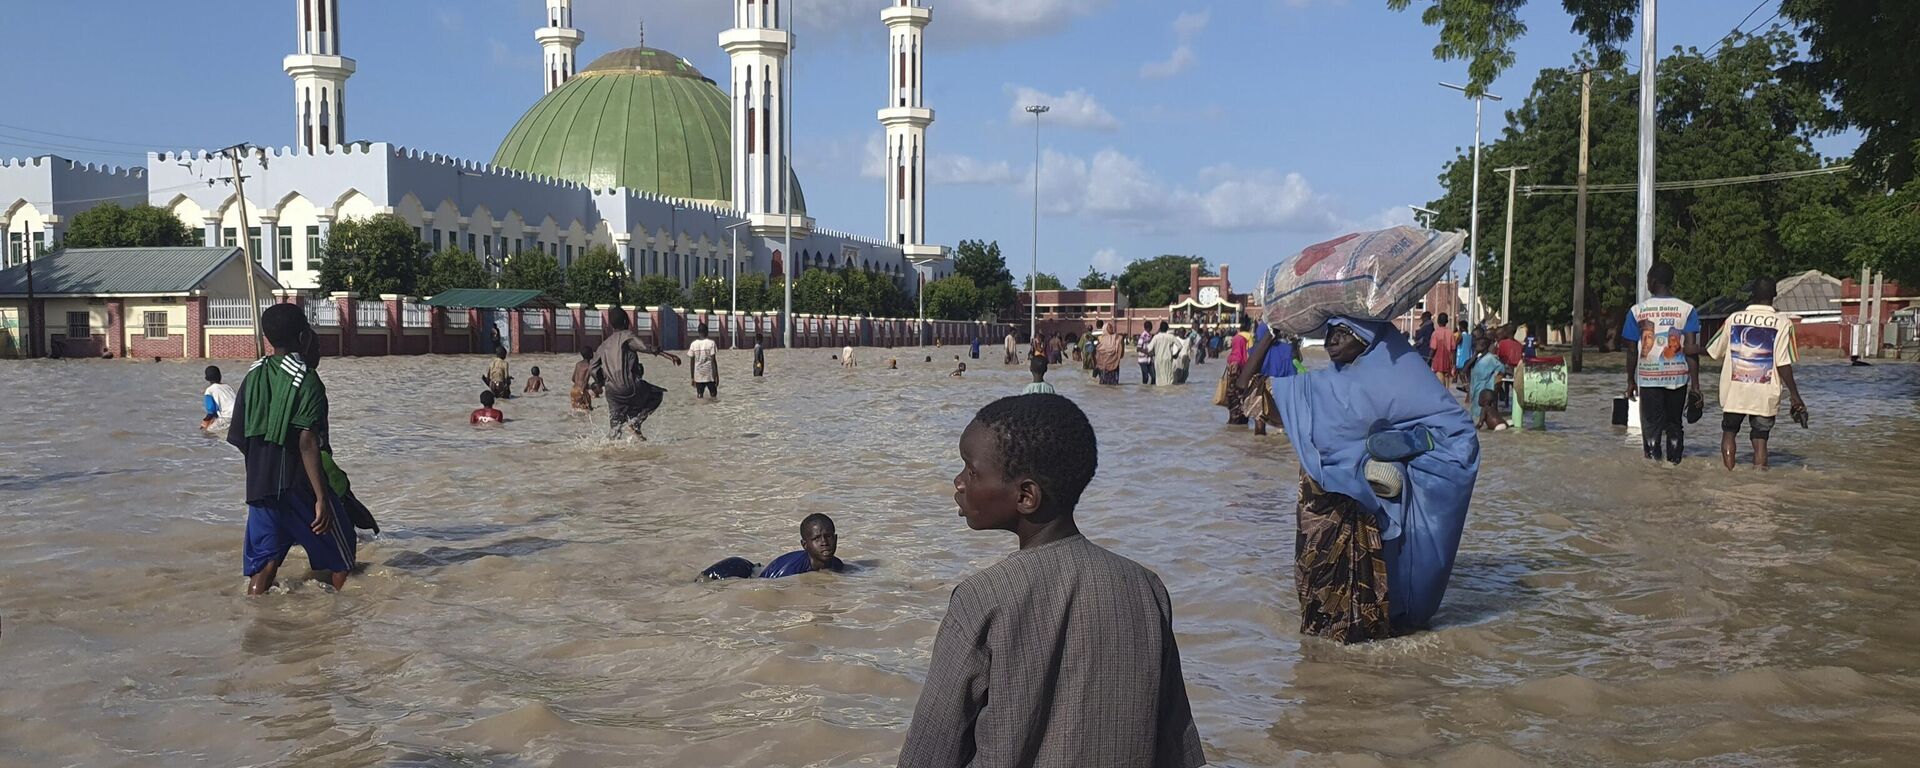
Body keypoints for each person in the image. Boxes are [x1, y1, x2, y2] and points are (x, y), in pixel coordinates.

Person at [898, 394, 1205, 768]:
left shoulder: (981, 599)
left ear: (1026, 496)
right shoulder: (1146, 588)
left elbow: (930, 753)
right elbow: (1175, 750)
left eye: (972, 471)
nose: (959, 482)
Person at [1268, 317, 1479, 642]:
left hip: (1363, 513)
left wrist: (1407, 445)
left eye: (1343, 334)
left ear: (1366, 340)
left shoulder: (1398, 380)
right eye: (1329, 334)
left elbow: (1457, 437)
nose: (1332, 341)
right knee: (1317, 621)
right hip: (1319, 515)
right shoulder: (1320, 386)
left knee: (1365, 615)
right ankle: (1323, 676)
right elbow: (1247, 388)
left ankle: (1367, 677)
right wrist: (1270, 335)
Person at [226, 304, 355, 595]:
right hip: (298, 486)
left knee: (266, 565)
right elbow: (307, 441)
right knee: (342, 559)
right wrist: (321, 497)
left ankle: (255, 623)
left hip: (259, 487)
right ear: (303, 336)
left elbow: (240, 438)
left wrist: (262, 472)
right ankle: (343, 627)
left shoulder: (253, 375)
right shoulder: (306, 379)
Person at [1707, 277, 1808, 470]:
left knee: (1729, 432)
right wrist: (1795, 397)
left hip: (1734, 391)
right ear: (1775, 295)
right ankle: (1759, 483)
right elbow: (1783, 363)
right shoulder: (1783, 323)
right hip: (1764, 393)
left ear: (1752, 295)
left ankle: (1728, 477)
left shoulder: (1734, 319)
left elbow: (1714, 350)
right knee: (1761, 439)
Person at [1621, 263, 1702, 465]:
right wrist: (1696, 385)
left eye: (1648, 279)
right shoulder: (1687, 310)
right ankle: (1674, 466)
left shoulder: (1637, 311)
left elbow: (1632, 351)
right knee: (1675, 424)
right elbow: (1691, 350)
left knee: (1651, 427)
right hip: (1678, 377)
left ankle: (1653, 469)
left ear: (1653, 282)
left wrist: (1631, 380)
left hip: (1649, 379)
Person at [590, 310, 681, 440]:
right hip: (630, 386)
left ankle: (610, 457)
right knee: (657, 394)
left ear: (611, 325)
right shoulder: (627, 336)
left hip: (612, 392)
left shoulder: (604, 345)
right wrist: (666, 354)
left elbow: (592, 367)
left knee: (615, 428)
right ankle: (635, 423)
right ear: (627, 322)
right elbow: (644, 346)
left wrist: (600, 382)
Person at [700, 513, 846, 580]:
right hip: (737, 570)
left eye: (828, 536)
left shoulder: (836, 564)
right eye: (816, 538)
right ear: (804, 545)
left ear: (836, 538)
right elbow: (764, 589)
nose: (824, 542)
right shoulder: (790, 571)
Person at [1237, 322, 1303, 437]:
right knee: (1284, 421)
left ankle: (1260, 441)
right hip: (1279, 386)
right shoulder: (1287, 349)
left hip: (1259, 387)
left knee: (1259, 418)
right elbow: (1292, 372)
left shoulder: (1254, 352)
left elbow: (1249, 371)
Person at [1467, 335, 1510, 431]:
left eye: (1477, 345)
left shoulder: (1490, 358)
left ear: (1484, 346)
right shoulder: (1477, 358)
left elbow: (1502, 368)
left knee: (1481, 415)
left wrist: (1496, 384)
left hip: (1484, 389)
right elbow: (1465, 368)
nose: (1475, 347)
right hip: (1475, 388)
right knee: (1475, 413)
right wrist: (1474, 355)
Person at [1221, 317, 1254, 425]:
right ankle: (1241, 419)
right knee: (1242, 393)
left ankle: (1232, 418)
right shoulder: (1249, 336)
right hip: (1241, 366)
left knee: (1232, 392)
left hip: (1231, 364)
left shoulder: (1235, 337)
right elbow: (1251, 353)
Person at [1147, 322, 1186, 387]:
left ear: (1160, 328)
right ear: (1167, 329)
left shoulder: (1156, 337)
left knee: (1159, 379)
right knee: (1168, 379)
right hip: (1168, 359)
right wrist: (1176, 354)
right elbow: (1180, 346)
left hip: (1158, 360)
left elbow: (1149, 349)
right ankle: (1168, 393)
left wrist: (1153, 353)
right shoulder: (1170, 337)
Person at [689, 323, 720, 399]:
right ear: (707, 332)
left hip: (698, 375)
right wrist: (716, 375)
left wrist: (692, 377)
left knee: (699, 395)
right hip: (710, 375)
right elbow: (713, 361)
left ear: (698, 332)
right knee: (713, 395)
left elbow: (692, 362)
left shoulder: (693, 344)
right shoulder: (711, 343)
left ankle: (700, 409)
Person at [201, 365, 236, 431]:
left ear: (207, 379)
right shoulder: (227, 387)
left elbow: (211, 412)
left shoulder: (209, 391)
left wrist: (204, 422)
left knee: (207, 432)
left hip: (227, 417)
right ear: (220, 376)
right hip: (240, 414)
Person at [1429, 313, 1458, 386]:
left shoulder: (1435, 333)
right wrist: (1454, 364)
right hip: (1448, 363)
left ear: (1438, 321)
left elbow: (1433, 348)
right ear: (1447, 321)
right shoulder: (1450, 333)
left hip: (1437, 364)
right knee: (1447, 386)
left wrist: (1428, 360)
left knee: (1439, 386)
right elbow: (1453, 349)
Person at [1094, 319, 1125, 385]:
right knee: (1114, 386)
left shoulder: (1100, 339)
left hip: (1103, 367)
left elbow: (1097, 355)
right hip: (1114, 366)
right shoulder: (1119, 338)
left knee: (1103, 386)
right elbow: (1121, 355)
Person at [569, 348, 597, 413]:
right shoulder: (589, 366)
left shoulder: (578, 364)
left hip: (574, 389)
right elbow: (585, 380)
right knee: (589, 409)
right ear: (590, 354)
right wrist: (583, 390)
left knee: (575, 410)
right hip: (582, 389)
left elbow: (573, 379)